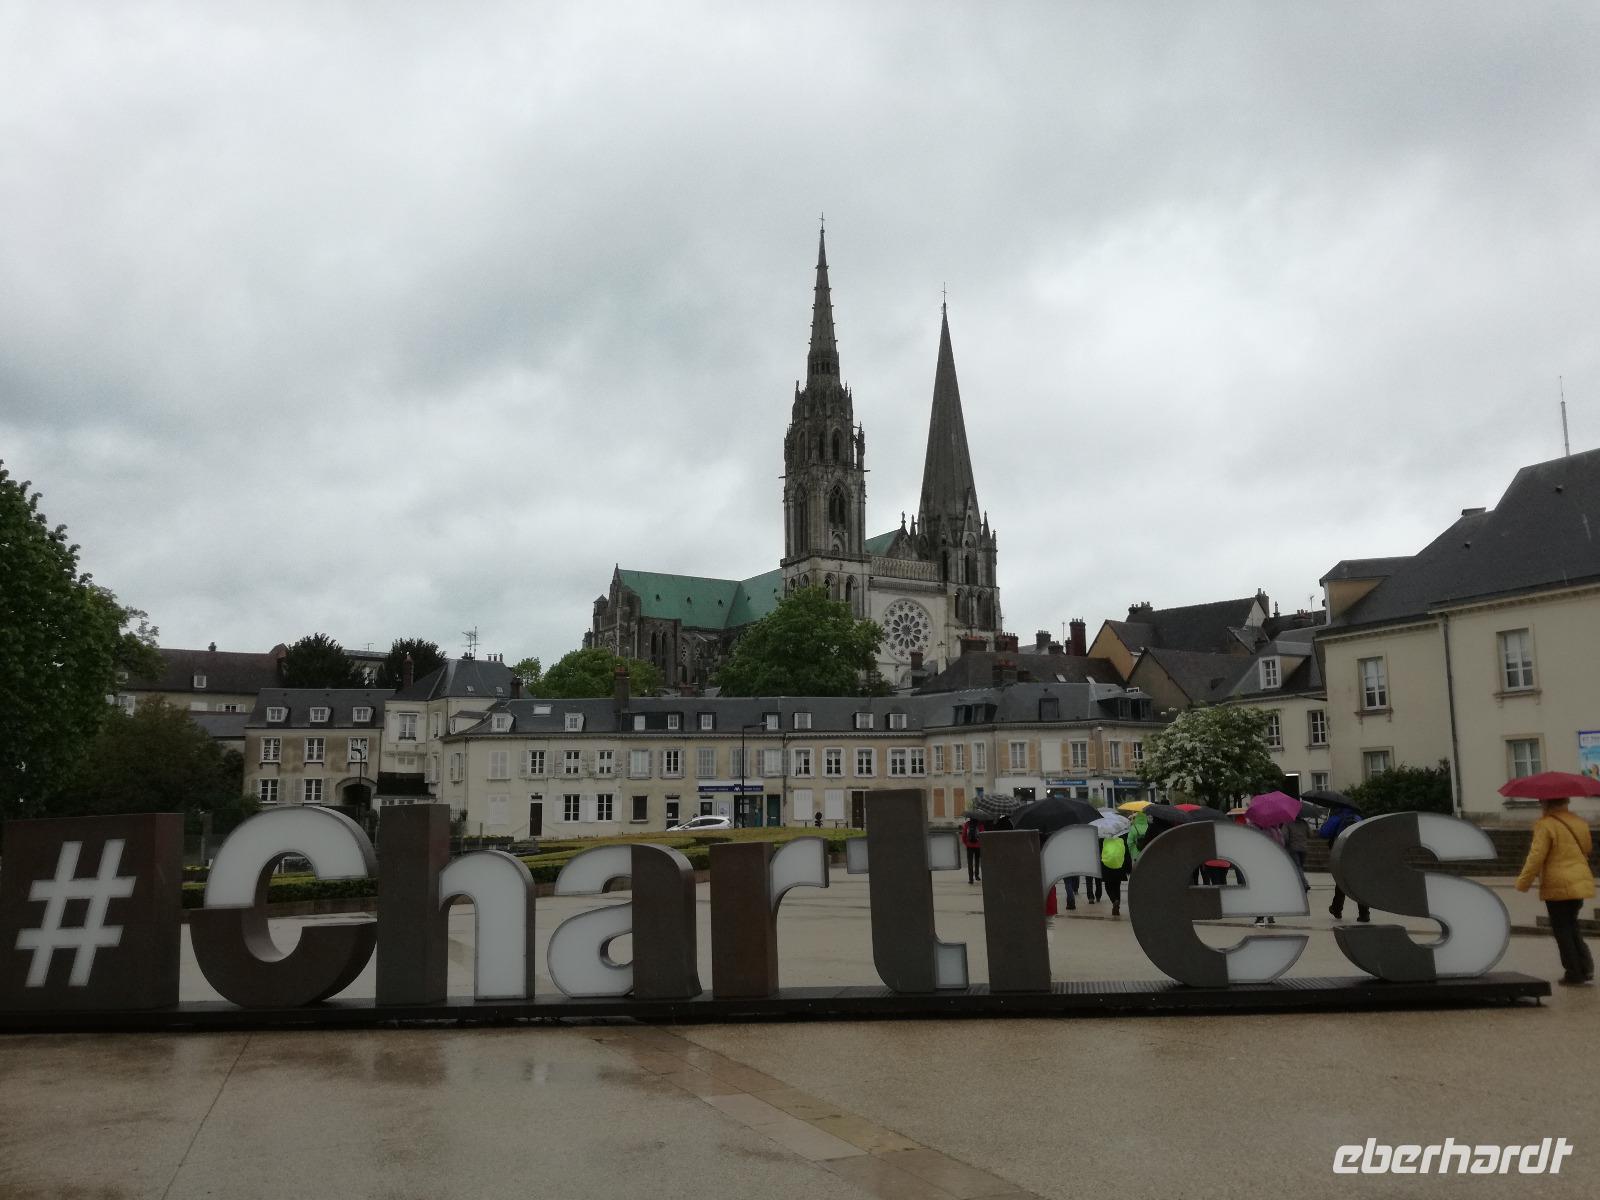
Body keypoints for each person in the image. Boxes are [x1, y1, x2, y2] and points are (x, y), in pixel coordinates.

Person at [1515, 797, 1596, 986]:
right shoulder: (1579, 822)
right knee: (1572, 924)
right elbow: (1588, 848)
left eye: (1542, 802)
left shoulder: (1546, 825)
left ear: (1548, 803)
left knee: (1562, 928)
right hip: (1579, 880)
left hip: (1558, 883)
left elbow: (1536, 856)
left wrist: (1523, 882)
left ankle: (1574, 972)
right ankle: (1585, 967)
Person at [1320, 807, 1370, 922]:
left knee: (1341, 880)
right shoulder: (1358, 818)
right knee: (1359, 883)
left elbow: (1323, 833)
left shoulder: (1337, 817)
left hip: (1341, 852)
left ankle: (1337, 908)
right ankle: (1364, 913)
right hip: (1358, 853)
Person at [1099, 832, 1129, 917]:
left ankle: (1114, 901)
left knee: (1108, 886)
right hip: (1119, 865)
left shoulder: (1103, 840)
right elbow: (1126, 854)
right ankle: (1117, 904)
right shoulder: (1121, 840)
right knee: (1117, 886)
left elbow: (1099, 852)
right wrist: (1127, 868)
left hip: (1106, 866)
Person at [960, 815, 985, 884]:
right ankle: (977, 875)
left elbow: (964, 835)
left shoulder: (967, 824)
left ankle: (971, 879)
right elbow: (983, 835)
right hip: (978, 846)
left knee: (970, 862)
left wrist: (966, 843)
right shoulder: (980, 825)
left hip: (969, 846)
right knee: (977, 861)